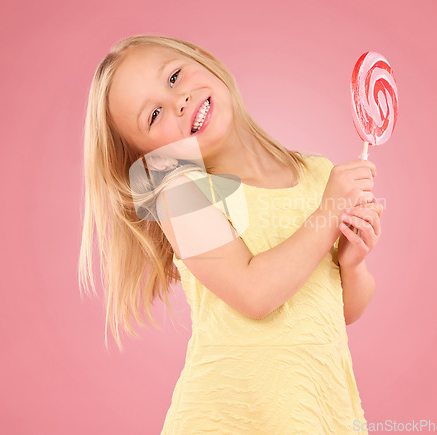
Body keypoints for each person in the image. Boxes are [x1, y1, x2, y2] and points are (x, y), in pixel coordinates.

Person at [78, 34, 383, 434]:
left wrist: (351, 263)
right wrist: (327, 214)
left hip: (315, 409)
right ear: (150, 157)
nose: (178, 101)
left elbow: (340, 313)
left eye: (173, 78)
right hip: (230, 417)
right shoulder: (179, 193)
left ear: (203, 59)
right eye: (153, 116)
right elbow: (253, 292)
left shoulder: (318, 175)